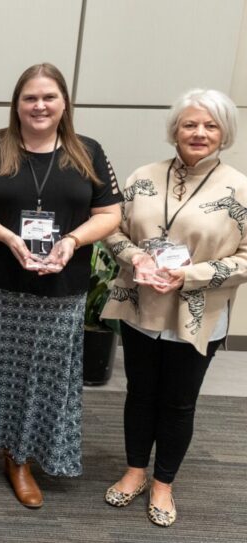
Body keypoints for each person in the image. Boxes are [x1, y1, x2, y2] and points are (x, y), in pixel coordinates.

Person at [0, 63, 121, 509]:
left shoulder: (88, 152)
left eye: (49, 97)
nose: (39, 106)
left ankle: (22, 461)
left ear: (64, 104)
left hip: (59, 290)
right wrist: (8, 237)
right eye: (30, 98)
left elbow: (111, 214)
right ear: (16, 104)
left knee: (42, 377)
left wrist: (72, 240)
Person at [101, 89, 246, 527]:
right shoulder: (143, 176)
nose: (199, 133)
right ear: (175, 131)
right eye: (190, 124)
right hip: (141, 306)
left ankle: (163, 483)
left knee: (180, 402)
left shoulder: (239, 188)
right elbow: (113, 231)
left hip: (199, 313)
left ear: (224, 133)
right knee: (140, 393)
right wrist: (136, 257)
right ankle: (135, 471)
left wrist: (194, 274)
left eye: (210, 125)